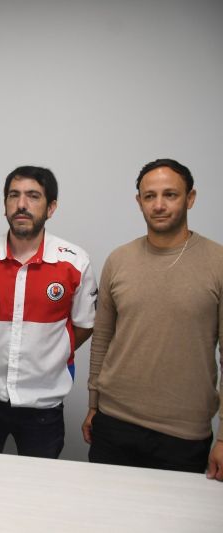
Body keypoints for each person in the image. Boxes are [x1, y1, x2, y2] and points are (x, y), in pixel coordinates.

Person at [83, 158, 223, 480]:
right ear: (139, 202)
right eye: (150, 196)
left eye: (170, 195)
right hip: (114, 421)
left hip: (183, 435)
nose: (159, 205)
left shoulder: (217, 262)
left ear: (190, 198)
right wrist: (94, 405)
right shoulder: (119, 260)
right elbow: (102, 339)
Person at [0, 166, 97, 458]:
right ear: (5, 205)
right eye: (14, 195)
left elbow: (84, 325)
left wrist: (51, 353)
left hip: (43, 404)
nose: (21, 204)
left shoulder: (75, 263)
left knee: (38, 484)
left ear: (51, 207)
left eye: (33, 196)